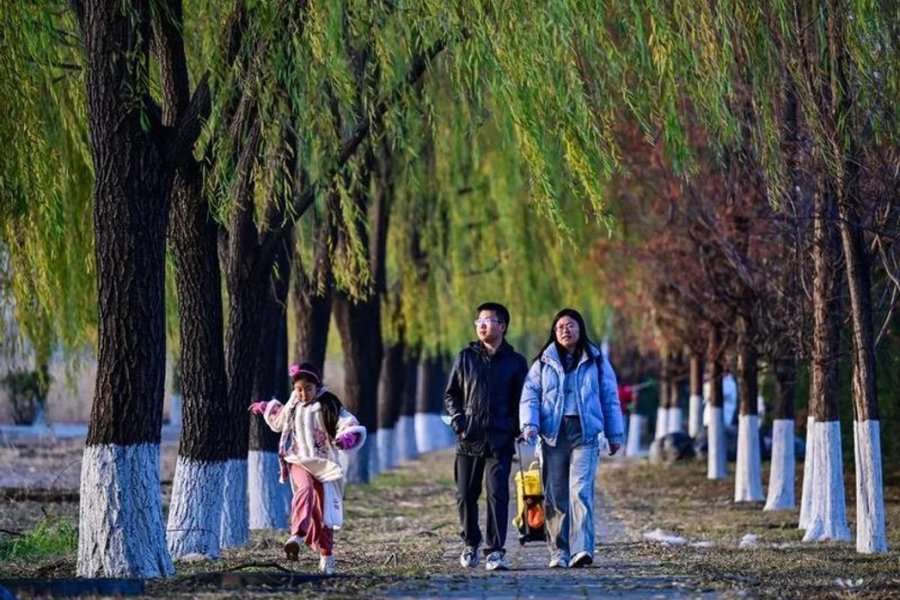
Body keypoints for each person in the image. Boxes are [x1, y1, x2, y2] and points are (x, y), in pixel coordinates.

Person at [519, 308, 625, 568]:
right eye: (561, 327)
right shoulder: (542, 363)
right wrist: (530, 424)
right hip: (553, 434)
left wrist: (614, 434)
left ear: (581, 329)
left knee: (580, 491)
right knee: (555, 494)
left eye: (571, 325)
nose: (566, 330)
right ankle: (558, 551)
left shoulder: (597, 360)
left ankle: (582, 549)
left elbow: (609, 398)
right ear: (554, 333)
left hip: (585, 433)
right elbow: (530, 395)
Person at [248, 362, 366, 575]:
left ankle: (326, 557)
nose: (303, 394)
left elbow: (347, 422)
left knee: (324, 513)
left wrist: (347, 438)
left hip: (325, 466)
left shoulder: (328, 403)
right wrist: (265, 407)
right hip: (299, 460)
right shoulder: (294, 403)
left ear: (317, 386)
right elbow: (280, 420)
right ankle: (297, 535)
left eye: (308, 389)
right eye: (298, 389)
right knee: (305, 490)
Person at [444, 302, 528, 572]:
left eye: (488, 320)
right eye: (478, 320)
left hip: (500, 440)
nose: (481, 324)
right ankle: (470, 544)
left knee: (497, 495)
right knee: (466, 494)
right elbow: (451, 394)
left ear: (502, 326)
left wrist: (515, 428)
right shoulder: (466, 357)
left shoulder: (516, 362)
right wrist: (458, 420)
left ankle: (495, 551)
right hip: (469, 438)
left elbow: (523, 401)